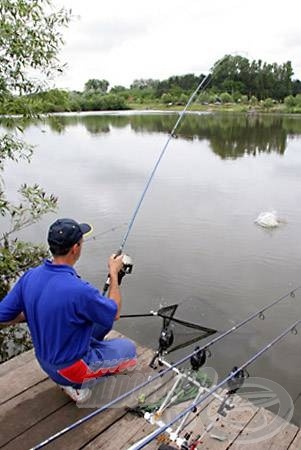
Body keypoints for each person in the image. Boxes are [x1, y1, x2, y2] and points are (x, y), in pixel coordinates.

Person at [0, 218, 137, 402]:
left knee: (100, 323)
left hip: (44, 359)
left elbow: (3, 315)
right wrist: (114, 273)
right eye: (81, 242)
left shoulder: (30, 276)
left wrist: (36, 311)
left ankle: (77, 366)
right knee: (129, 350)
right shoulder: (79, 290)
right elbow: (115, 313)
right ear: (75, 248)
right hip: (70, 370)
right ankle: (76, 386)